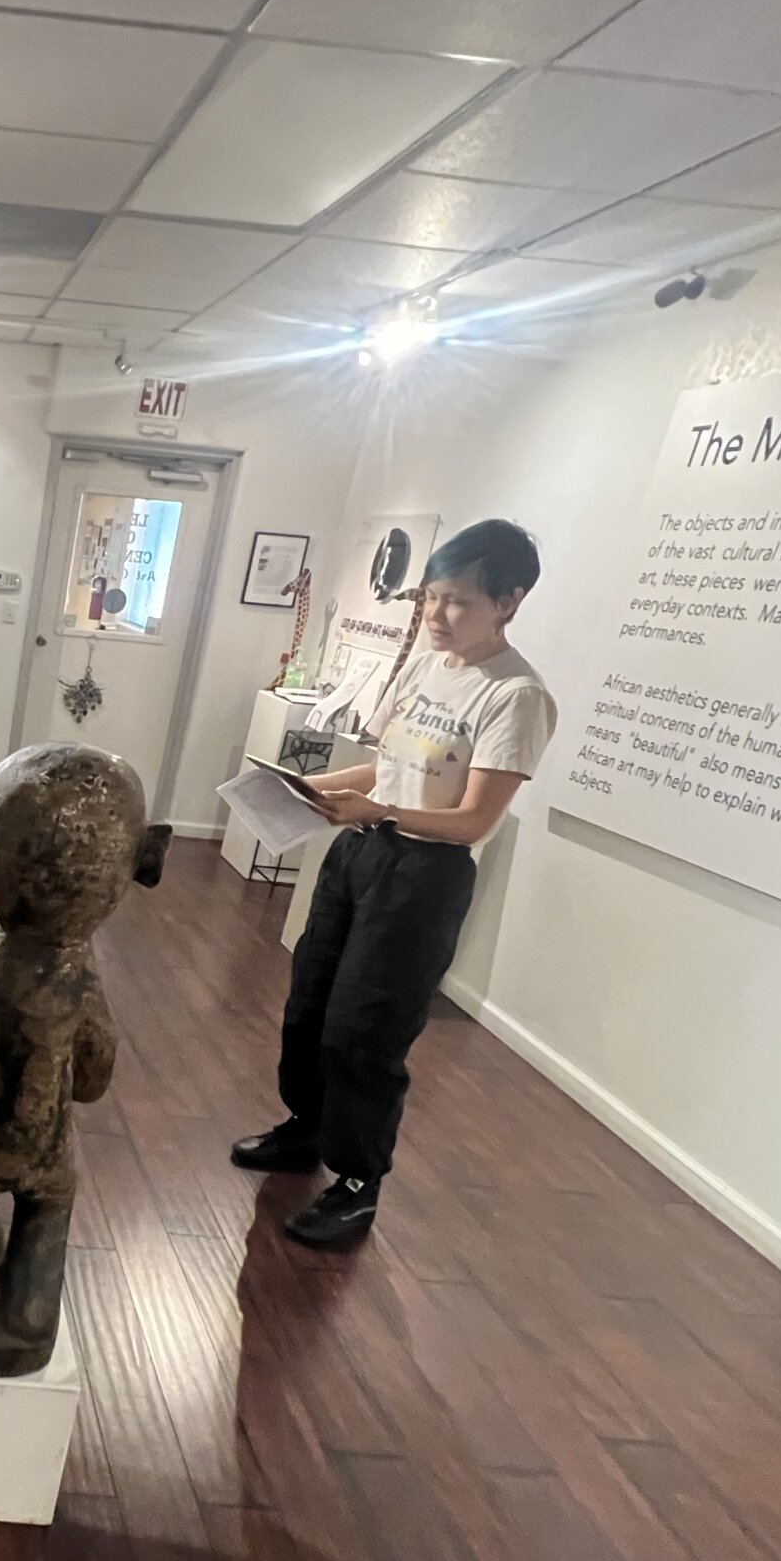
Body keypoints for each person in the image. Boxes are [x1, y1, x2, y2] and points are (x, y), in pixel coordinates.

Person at [232, 519, 557, 1249]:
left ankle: (357, 1181)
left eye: (458, 601)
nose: (437, 615)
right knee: (310, 1004)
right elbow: (386, 767)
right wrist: (307, 787)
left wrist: (378, 810)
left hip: (423, 877)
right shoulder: (428, 667)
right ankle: (305, 1127)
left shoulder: (516, 696)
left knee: (366, 1031)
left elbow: (473, 820)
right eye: (432, 597)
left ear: (509, 600)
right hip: (360, 855)